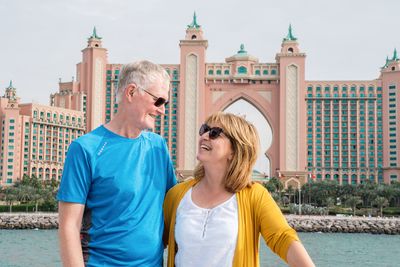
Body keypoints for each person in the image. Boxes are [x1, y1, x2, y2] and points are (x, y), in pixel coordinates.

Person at [57, 60, 177, 267]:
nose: (162, 110)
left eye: (165, 104)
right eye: (158, 101)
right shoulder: (86, 149)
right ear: (131, 92)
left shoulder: (159, 147)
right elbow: (69, 225)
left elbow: (175, 206)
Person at [163, 112, 315, 267]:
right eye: (204, 129)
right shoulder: (177, 195)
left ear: (234, 151)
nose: (205, 136)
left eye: (215, 133)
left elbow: (282, 237)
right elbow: (153, 241)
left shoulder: (255, 195)